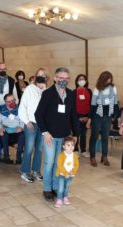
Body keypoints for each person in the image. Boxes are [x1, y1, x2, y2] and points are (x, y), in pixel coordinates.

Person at [35, 67, 79, 201]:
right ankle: (47, 189)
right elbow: (38, 114)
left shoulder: (71, 94)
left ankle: (55, 187)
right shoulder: (48, 94)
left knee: (58, 163)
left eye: (66, 78)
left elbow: (73, 115)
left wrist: (75, 134)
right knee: (48, 163)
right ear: (55, 78)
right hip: (50, 136)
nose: (63, 81)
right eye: (61, 78)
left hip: (65, 136)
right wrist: (45, 132)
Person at [18, 68, 48, 183]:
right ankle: (25, 172)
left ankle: (36, 170)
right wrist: (26, 121)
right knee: (29, 148)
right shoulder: (30, 89)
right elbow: (22, 106)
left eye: (43, 75)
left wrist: (44, 90)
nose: (41, 77)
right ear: (35, 77)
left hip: (42, 125)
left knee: (39, 149)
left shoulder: (46, 91)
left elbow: (47, 108)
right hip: (31, 123)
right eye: (39, 75)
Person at [87, 71, 119, 167]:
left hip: (108, 115)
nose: (109, 81)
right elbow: (93, 104)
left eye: (110, 79)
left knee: (105, 136)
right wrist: (90, 118)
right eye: (107, 79)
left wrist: (115, 115)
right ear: (102, 79)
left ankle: (104, 156)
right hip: (97, 114)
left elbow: (115, 102)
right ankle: (92, 156)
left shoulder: (113, 88)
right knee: (94, 136)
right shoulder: (97, 88)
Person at [0, 94, 25, 164]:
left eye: (13, 100)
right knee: (3, 136)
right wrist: (0, 128)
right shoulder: (1, 110)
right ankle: (6, 157)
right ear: (5, 102)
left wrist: (20, 126)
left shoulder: (20, 109)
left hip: (17, 131)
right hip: (5, 130)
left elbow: (23, 120)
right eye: (9, 101)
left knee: (22, 135)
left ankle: (19, 157)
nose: (12, 103)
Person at [55, 137, 79, 208]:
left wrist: (73, 172)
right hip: (62, 175)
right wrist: (65, 173)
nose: (71, 147)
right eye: (68, 145)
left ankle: (65, 197)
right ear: (64, 146)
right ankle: (59, 199)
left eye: (72, 145)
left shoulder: (74, 156)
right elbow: (60, 165)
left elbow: (76, 165)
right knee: (61, 188)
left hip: (71, 175)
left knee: (67, 187)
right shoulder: (61, 155)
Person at [73, 74, 92, 157]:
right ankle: (75, 150)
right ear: (77, 81)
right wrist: (77, 118)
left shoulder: (89, 91)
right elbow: (72, 106)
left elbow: (91, 104)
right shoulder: (74, 92)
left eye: (83, 79)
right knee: (76, 133)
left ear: (86, 81)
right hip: (77, 116)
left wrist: (88, 117)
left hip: (86, 116)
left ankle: (83, 150)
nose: (81, 81)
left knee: (84, 134)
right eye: (79, 79)